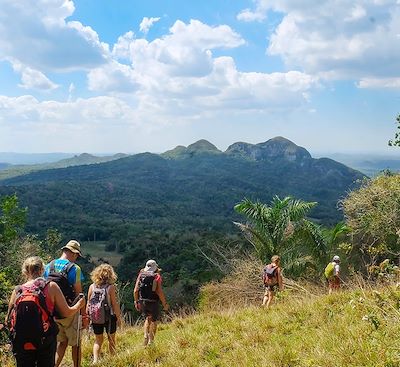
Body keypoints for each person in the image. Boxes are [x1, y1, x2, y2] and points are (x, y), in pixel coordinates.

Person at [6, 256, 85, 367]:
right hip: (45, 339)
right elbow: (66, 312)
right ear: (42, 270)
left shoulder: (18, 290)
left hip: (21, 342)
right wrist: (79, 305)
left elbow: (8, 319)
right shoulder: (51, 286)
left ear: (24, 271)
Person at [43, 240, 88, 367]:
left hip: (52, 312)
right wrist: (84, 316)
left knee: (61, 343)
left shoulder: (48, 266)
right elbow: (79, 295)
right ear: (74, 253)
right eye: (77, 255)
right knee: (76, 344)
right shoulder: (74, 268)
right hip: (70, 311)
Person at [87, 264, 121, 364]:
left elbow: (88, 303)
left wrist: (89, 317)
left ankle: (95, 361)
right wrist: (119, 318)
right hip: (109, 317)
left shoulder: (92, 287)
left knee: (98, 340)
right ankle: (113, 359)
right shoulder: (110, 288)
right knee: (111, 339)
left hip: (96, 317)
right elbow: (114, 305)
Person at [133, 260, 169, 346]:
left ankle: (146, 335)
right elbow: (159, 291)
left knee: (147, 318)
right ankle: (151, 341)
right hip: (153, 301)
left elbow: (135, 290)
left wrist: (136, 301)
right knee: (154, 321)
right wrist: (165, 304)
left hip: (143, 301)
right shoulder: (157, 276)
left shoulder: (141, 274)